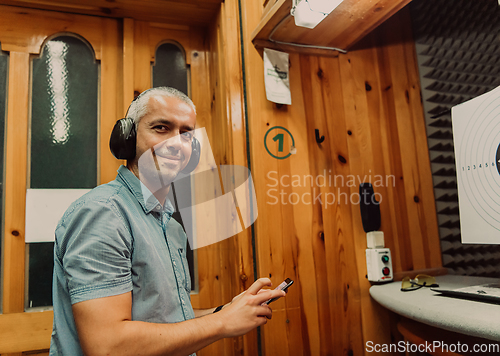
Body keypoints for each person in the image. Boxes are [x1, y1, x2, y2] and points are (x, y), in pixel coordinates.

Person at [49, 87, 286, 355]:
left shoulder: (170, 226)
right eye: (161, 128)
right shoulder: (103, 214)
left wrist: (226, 310)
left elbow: (164, 319)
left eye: (186, 134)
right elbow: (109, 346)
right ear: (127, 138)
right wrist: (222, 322)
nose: (176, 142)